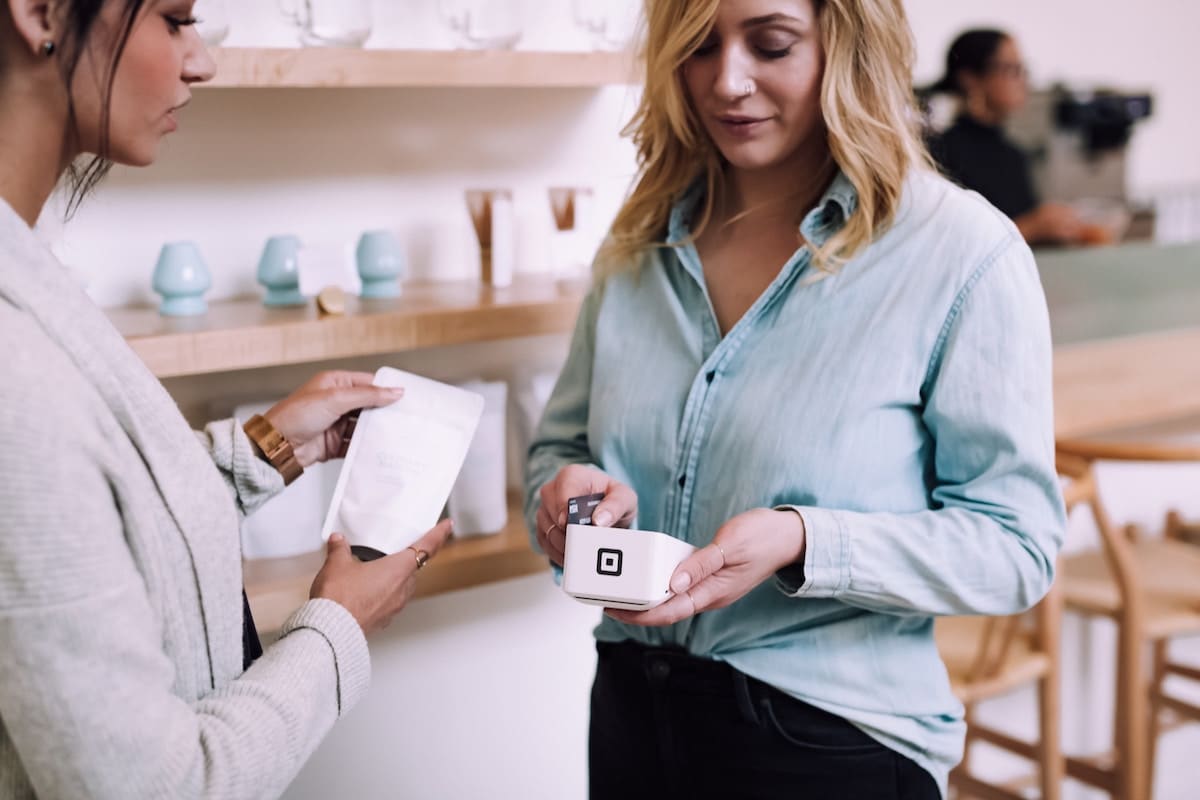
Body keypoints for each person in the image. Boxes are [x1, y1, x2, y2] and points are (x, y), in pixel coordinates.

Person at [525, 0, 1065, 797]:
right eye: (699, 48)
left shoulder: (960, 253)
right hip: (632, 709)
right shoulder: (639, 239)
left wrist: (805, 541)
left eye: (771, 45)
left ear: (848, 48)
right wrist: (562, 496)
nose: (727, 82)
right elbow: (560, 449)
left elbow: (1016, 548)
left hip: (826, 741)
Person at [0, 2, 451, 797]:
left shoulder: (29, 279)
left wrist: (268, 450)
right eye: (173, 19)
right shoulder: (13, 374)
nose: (200, 60)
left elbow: (91, 531)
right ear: (38, 12)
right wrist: (337, 628)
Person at [927, 28, 1107, 245]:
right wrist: (1031, 227)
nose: (1023, 81)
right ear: (970, 79)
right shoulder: (939, 153)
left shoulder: (1014, 156)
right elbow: (949, 243)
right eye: (1011, 69)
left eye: (1023, 69)